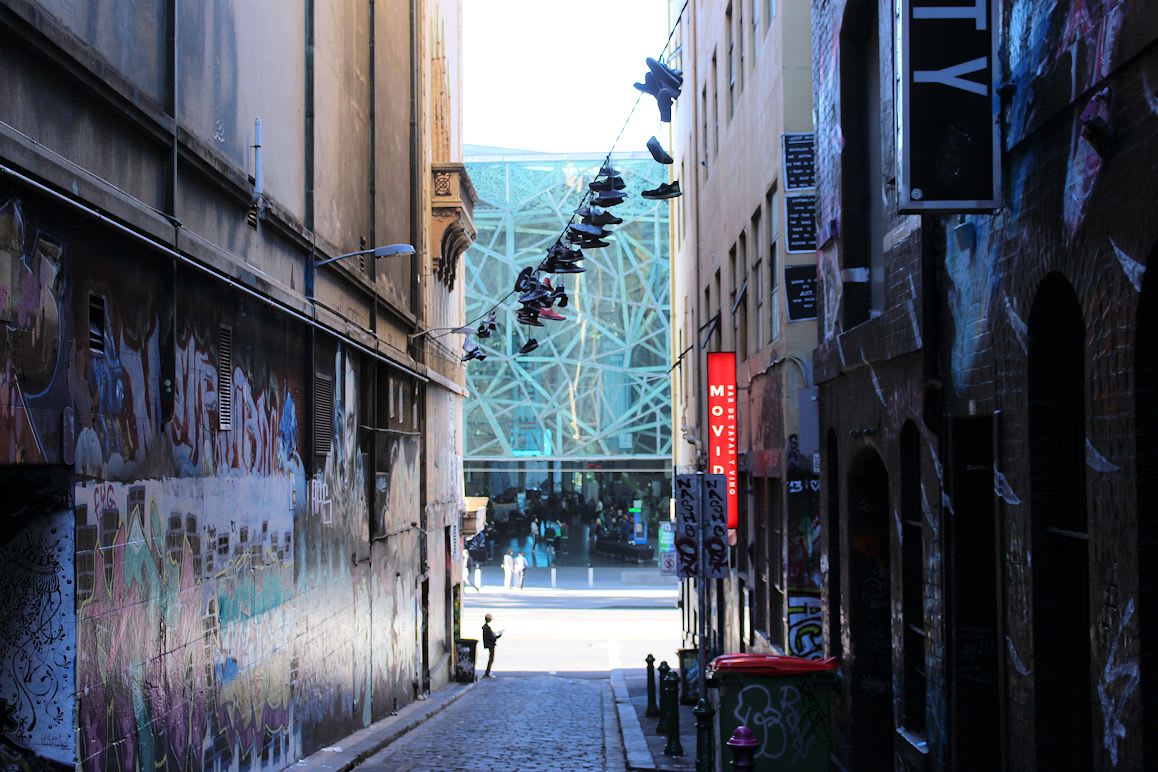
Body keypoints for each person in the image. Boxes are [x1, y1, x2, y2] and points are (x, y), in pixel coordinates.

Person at [482, 613, 502, 678]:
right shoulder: (487, 628)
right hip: (490, 645)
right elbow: (491, 637)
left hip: (489, 644)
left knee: (491, 658)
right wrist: (498, 636)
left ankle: (487, 672)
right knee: (491, 658)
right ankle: (487, 672)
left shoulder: (485, 627)